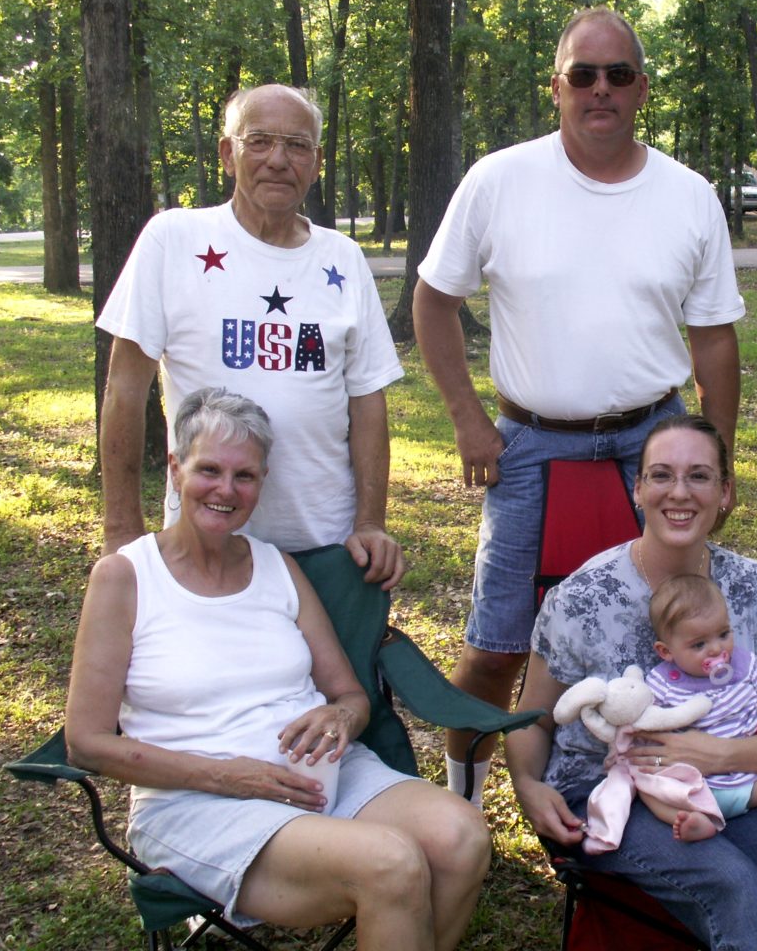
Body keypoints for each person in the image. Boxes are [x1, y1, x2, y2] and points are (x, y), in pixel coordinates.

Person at [413, 7, 744, 801]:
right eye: (583, 75)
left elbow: (716, 342)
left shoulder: (688, 195)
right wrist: (467, 419)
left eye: (618, 75)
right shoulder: (499, 180)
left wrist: (714, 463)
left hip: (655, 444)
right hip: (529, 444)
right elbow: (432, 302)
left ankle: (658, 794)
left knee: (671, 628)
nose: (601, 90)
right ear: (556, 86)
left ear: (642, 90)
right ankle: (462, 799)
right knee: (497, 645)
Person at [65, 387, 490, 950]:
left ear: (261, 483)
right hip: (197, 803)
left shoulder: (277, 568)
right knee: (391, 864)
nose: (226, 490)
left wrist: (340, 717)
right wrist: (226, 776)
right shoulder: (125, 577)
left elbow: (349, 695)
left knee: (462, 836)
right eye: (209, 470)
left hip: (324, 779)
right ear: (175, 469)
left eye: (245, 476)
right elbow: (86, 743)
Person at [505, 414, 757, 950]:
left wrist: (715, 756)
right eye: (661, 475)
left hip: (732, 784)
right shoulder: (581, 598)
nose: (680, 492)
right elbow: (533, 717)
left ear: (725, 492)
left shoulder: (751, 585)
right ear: (638, 489)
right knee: (732, 883)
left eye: (699, 476)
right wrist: (528, 787)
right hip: (614, 793)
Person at [97, 84, 404, 588]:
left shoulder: (343, 259)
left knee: (330, 669)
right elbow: (125, 389)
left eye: (298, 145)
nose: (279, 160)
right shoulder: (173, 240)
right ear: (227, 153)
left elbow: (368, 400)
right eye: (259, 141)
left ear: (317, 161)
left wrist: (369, 522)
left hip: (324, 546)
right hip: (203, 542)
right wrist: (122, 528)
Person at [644, 574, 757, 849]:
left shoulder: (745, 666)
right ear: (666, 651)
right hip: (695, 788)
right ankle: (694, 821)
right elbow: (646, 724)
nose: (717, 648)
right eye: (699, 644)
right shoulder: (663, 683)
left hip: (750, 780)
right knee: (650, 789)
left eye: (723, 634)